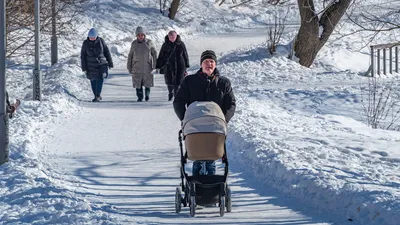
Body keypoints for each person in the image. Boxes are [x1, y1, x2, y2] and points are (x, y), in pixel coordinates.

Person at [173, 50, 236, 175]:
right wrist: (185, 119)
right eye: (206, 61)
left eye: (212, 61)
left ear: (215, 64)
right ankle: (197, 178)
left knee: (211, 155)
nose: (209, 64)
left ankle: (211, 180)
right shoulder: (190, 81)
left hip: (215, 126)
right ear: (201, 64)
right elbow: (178, 101)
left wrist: (224, 120)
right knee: (198, 154)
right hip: (195, 126)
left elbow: (231, 103)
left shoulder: (223, 83)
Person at [80, 28, 113, 102]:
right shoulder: (85, 43)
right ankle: (95, 95)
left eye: (94, 37)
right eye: (91, 37)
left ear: (96, 36)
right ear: (88, 37)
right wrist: (84, 68)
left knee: (100, 79)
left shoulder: (101, 41)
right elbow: (83, 56)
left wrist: (110, 63)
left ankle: (98, 95)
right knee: (93, 81)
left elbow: (106, 52)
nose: (92, 39)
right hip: (90, 66)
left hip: (101, 64)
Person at [156, 30, 190, 101]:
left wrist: (186, 65)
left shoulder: (181, 44)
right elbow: (161, 55)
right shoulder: (165, 45)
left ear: (176, 36)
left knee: (178, 81)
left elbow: (185, 55)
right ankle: (170, 93)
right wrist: (158, 66)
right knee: (169, 81)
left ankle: (176, 95)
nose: (172, 38)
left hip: (180, 65)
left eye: (173, 37)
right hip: (169, 65)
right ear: (168, 37)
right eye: (170, 37)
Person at [127, 26, 157, 102]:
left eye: (142, 35)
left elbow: (154, 53)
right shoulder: (134, 43)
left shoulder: (149, 43)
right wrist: (129, 66)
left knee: (147, 82)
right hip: (136, 67)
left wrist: (155, 65)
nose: (140, 37)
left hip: (147, 66)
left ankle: (147, 95)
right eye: (139, 35)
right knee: (138, 83)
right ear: (136, 35)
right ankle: (140, 97)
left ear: (144, 35)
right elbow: (130, 55)